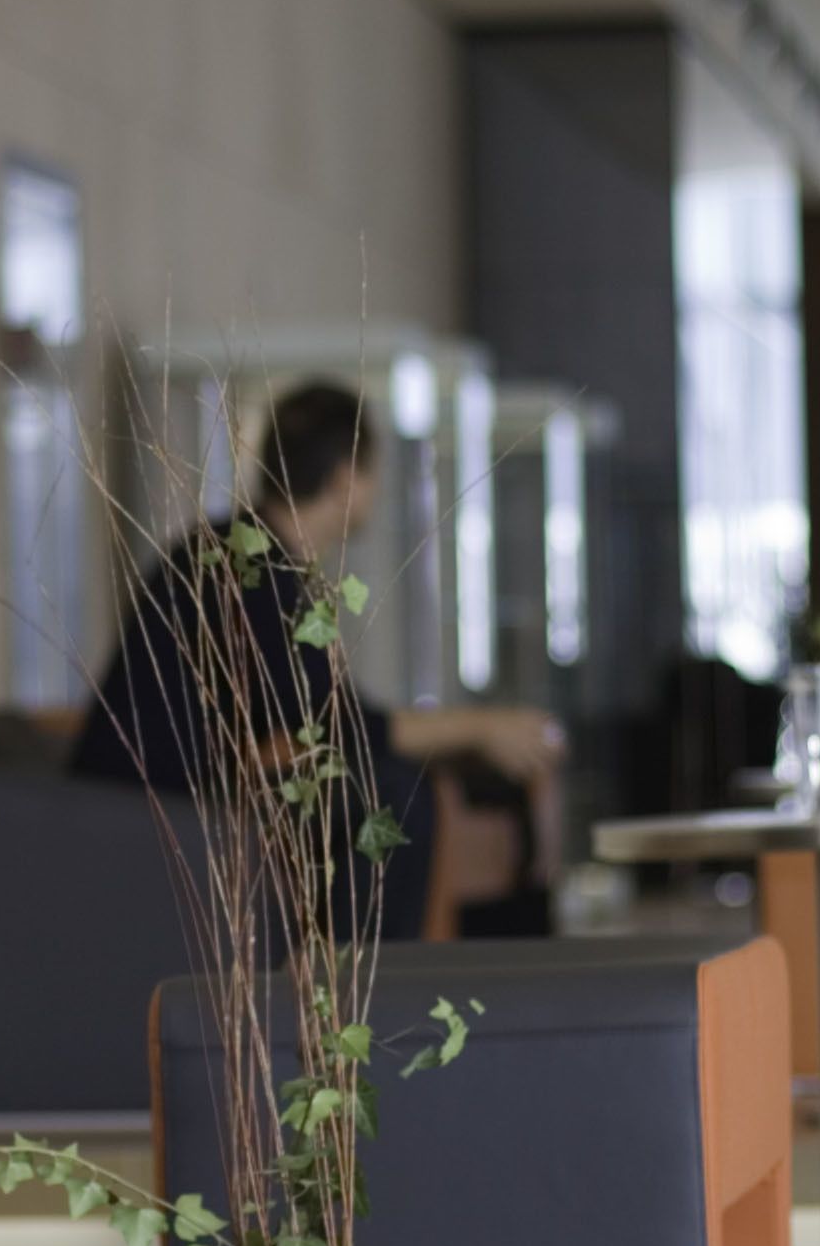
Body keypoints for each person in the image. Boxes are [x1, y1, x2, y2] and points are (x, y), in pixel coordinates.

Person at [72, 379, 564, 932]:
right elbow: (334, 725)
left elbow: (317, 720)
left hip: (200, 791)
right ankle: (367, 997)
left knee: (431, 784)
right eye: (372, 473)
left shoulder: (245, 554)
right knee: (385, 796)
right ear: (345, 478)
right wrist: (479, 728)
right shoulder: (245, 567)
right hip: (147, 809)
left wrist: (476, 739)